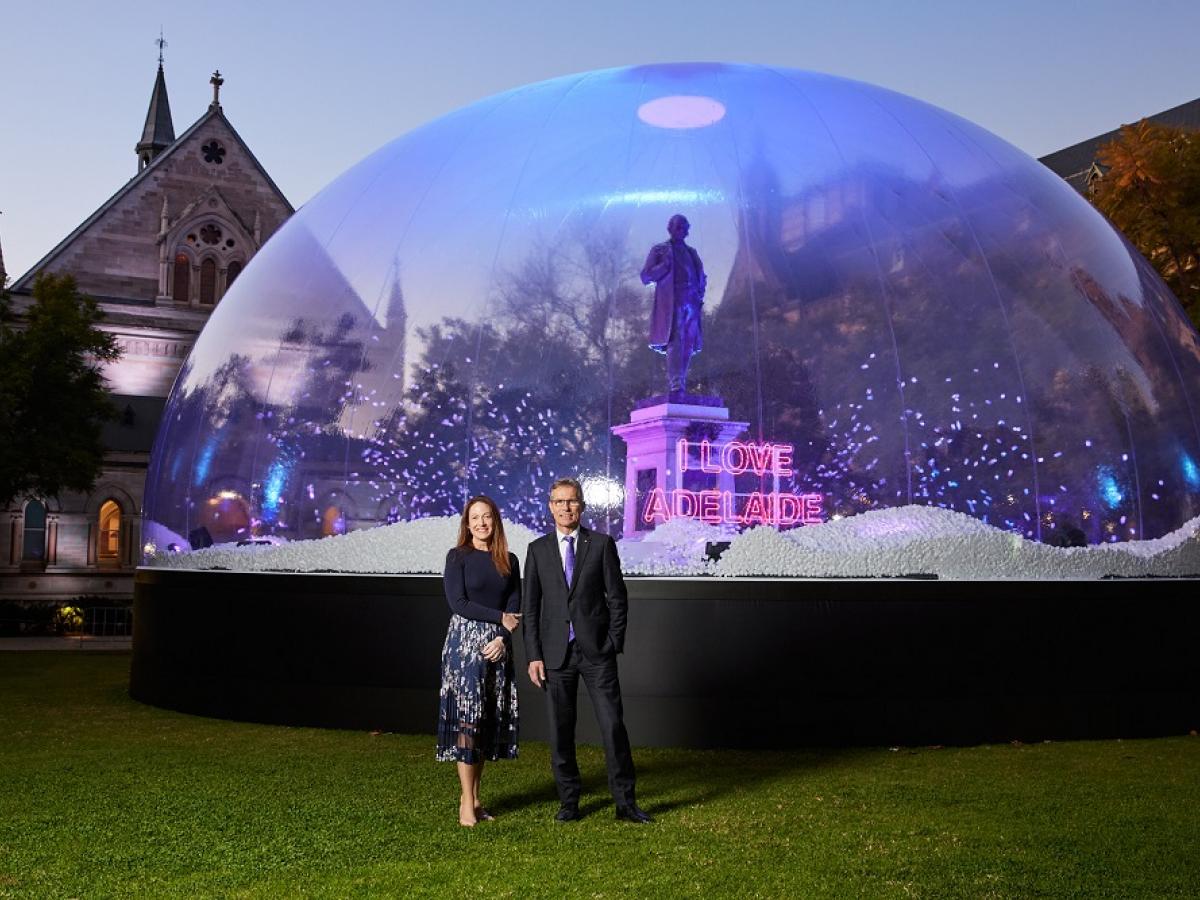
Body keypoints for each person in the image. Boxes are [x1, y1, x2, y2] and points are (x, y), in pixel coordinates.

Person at [522, 477, 651, 824]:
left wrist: (612, 642)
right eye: (560, 501)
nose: (566, 507)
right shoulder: (537, 550)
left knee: (612, 727)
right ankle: (569, 802)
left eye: (572, 501)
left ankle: (625, 803)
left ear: (582, 505)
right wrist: (534, 655)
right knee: (561, 731)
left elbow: (617, 598)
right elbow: (531, 608)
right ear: (550, 507)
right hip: (555, 656)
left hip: (597, 653)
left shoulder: (602, 544)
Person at [436, 495, 522, 827]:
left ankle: (474, 798)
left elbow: (514, 608)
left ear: (495, 521)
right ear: (467, 523)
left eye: (487, 517)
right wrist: (499, 617)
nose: (481, 523)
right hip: (464, 647)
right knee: (468, 723)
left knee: (484, 724)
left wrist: (503, 637)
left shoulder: (510, 560)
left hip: (497, 646)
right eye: (475, 518)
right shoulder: (457, 557)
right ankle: (464, 802)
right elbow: (458, 603)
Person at [640, 213, 707, 395]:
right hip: (672, 300)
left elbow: (700, 275)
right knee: (675, 339)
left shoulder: (692, 252)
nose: (681, 231)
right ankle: (675, 382)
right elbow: (646, 276)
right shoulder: (660, 250)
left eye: (685, 228)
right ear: (670, 229)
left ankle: (682, 380)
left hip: (691, 300)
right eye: (678, 227)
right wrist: (664, 267)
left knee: (689, 341)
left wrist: (700, 292)